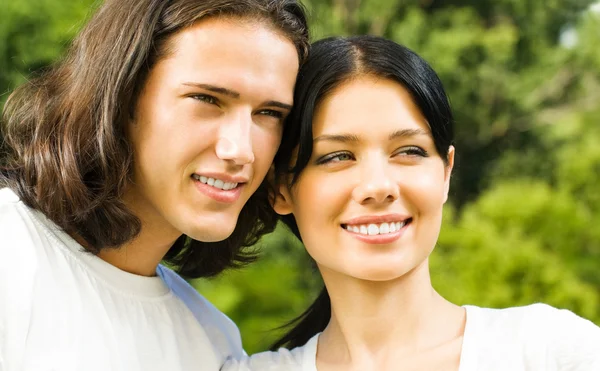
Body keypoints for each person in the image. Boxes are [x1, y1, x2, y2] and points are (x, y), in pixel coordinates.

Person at [222, 35, 600, 370]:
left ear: (446, 172)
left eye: (409, 151)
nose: (378, 186)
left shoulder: (551, 352)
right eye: (337, 156)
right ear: (280, 190)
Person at [0, 0, 308, 369]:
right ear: (122, 96)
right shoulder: (11, 256)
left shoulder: (211, 342)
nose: (241, 150)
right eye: (207, 99)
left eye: (270, 113)